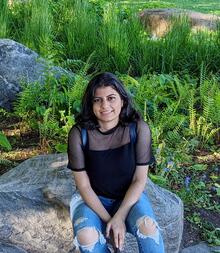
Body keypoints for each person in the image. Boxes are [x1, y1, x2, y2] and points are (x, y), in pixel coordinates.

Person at [67, 72, 165, 253]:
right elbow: (83, 185)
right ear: (91, 104)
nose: (105, 105)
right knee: (86, 237)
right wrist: (109, 221)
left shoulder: (139, 129)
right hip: (91, 199)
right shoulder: (79, 134)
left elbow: (139, 180)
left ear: (123, 100)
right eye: (97, 100)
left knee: (148, 228)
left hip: (128, 198)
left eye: (111, 98)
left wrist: (119, 217)